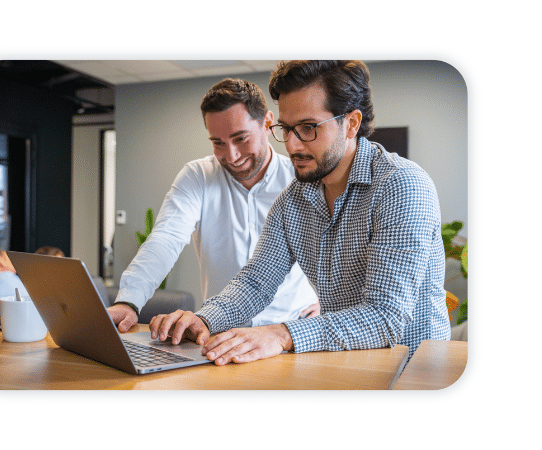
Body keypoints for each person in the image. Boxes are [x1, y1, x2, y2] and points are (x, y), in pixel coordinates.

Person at [150, 60, 451, 364]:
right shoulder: (292, 201)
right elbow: (255, 283)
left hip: (413, 373)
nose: (292, 145)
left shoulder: (401, 186)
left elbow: (385, 317)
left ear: (351, 123)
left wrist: (282, 335)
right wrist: (205, 320)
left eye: (308, 128)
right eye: (286, 129)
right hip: (345, 366)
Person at [108, 78, 319, 332]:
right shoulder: (198, 176)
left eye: (240, 138)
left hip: (291, 331)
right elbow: (166, 238)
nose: (231, 155)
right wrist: (129, 300)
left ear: (266, 122)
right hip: (220, 330)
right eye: (218, 142)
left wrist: (328, 302)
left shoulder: (302, 179)